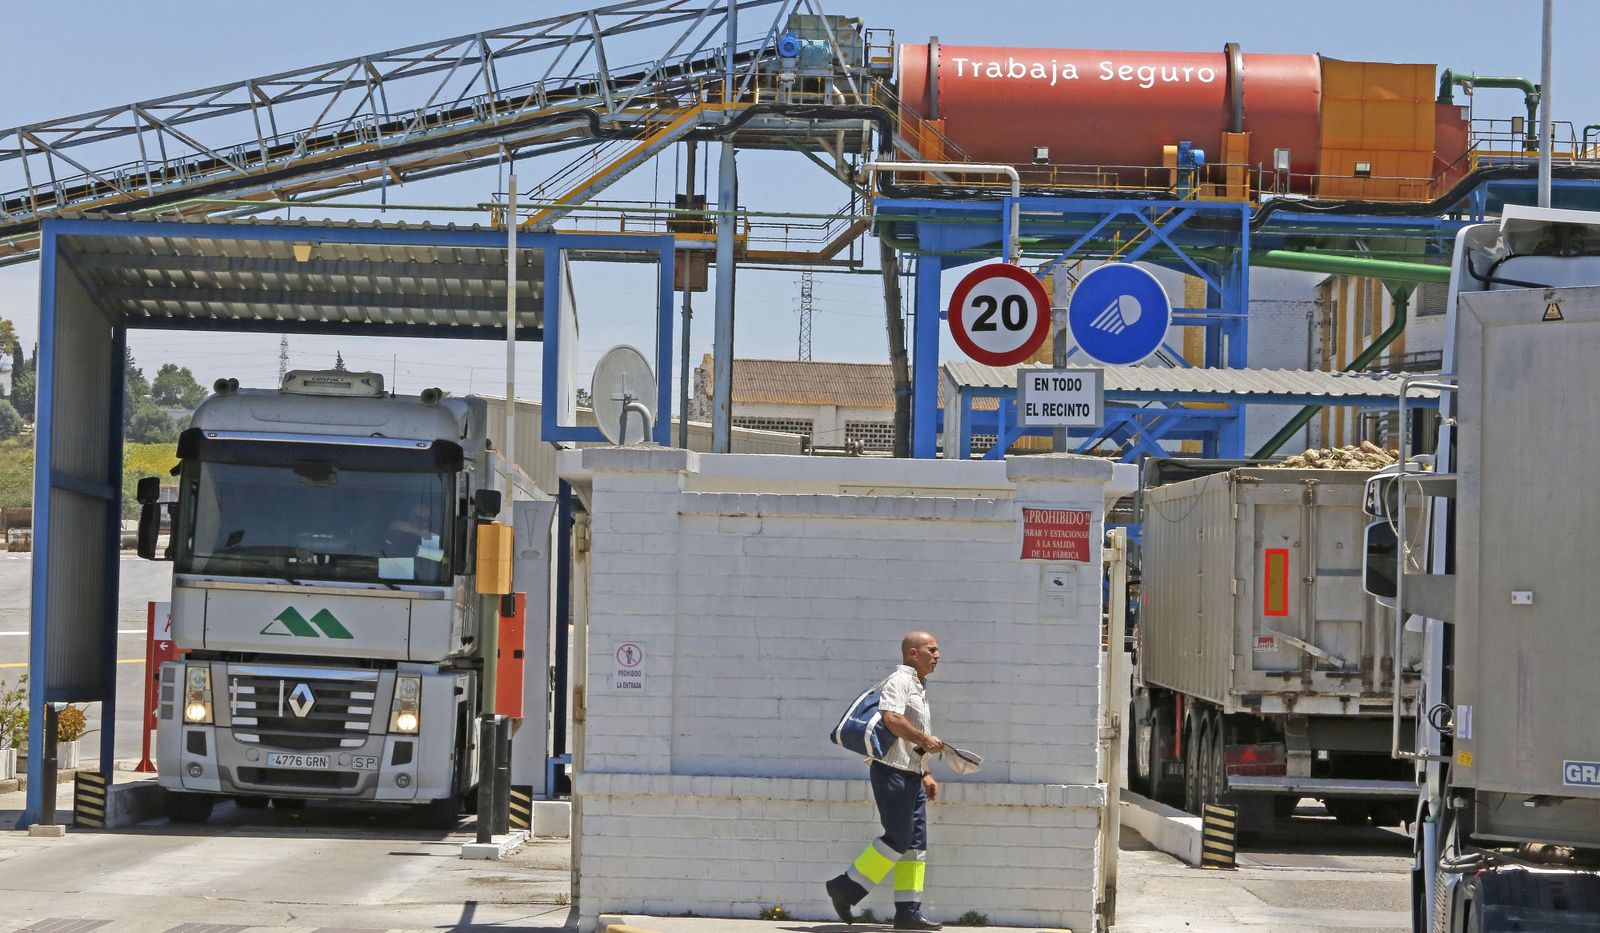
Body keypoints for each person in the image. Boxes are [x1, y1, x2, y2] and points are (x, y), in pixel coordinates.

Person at [825, 631, 945, 931]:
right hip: (891, 771)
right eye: (932, 649)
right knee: (898, 838)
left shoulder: (920, 686)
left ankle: (908, 913)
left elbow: (911, 738)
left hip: (911, 773)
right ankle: (844, 887)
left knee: (915, 845)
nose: (937, 655)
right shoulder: (900, 681)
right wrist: (924, 739)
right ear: (912, 654)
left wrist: (926, 772)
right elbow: (891, 718)